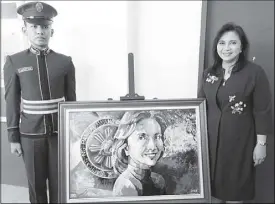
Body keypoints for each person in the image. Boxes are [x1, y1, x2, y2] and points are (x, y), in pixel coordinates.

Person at [3, 2, 76, 203]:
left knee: (59, 185)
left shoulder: (65, 62)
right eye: (34, 27)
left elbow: (72, 102)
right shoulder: (14, 62)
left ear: (51, 30)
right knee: (36, 187)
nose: (39, 31)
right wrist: (13, 137)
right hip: (30, 136)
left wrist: (72, 135)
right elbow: (11, 100)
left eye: (44, 27)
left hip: (59, 136)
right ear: (24, 29)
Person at [198, 22, 272, 203]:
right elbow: (200, 106)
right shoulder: (209, 74)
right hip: (211, 143)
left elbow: (263, 110)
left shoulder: (254, 73)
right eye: (222, 43)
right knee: (211, 193)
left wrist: (261, 144)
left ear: (242, 47)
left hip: (240, 144)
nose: (226, 48)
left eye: (233, 43)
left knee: (235, 192)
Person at [111, 111, 167, 196]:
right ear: (126, 147)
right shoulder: (126, 186)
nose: (152, 146)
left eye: (158, 137)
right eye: (142, 137)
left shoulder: (158, 181)